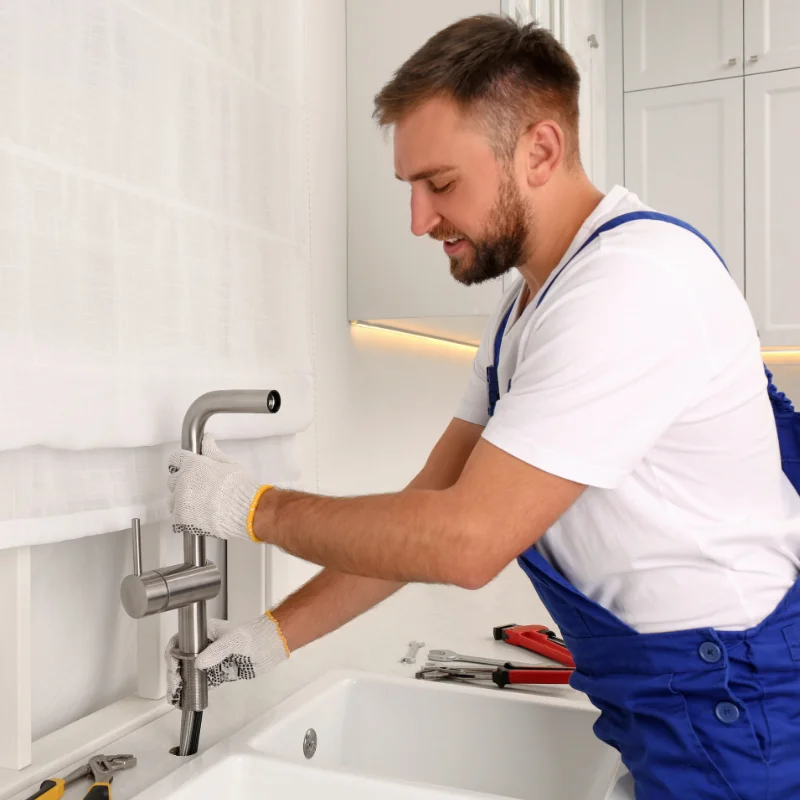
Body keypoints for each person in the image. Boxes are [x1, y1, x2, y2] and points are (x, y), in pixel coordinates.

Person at [164, 14, 800, 799]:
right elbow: (427, 511)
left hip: (733, 705)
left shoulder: (633, 284)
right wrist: (275, 637)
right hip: (672, 696)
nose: (419, 219)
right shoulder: (527, 306)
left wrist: (253, 508)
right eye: (411, 188)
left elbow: (466, 544)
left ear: (539, 150)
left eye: (440, 183)